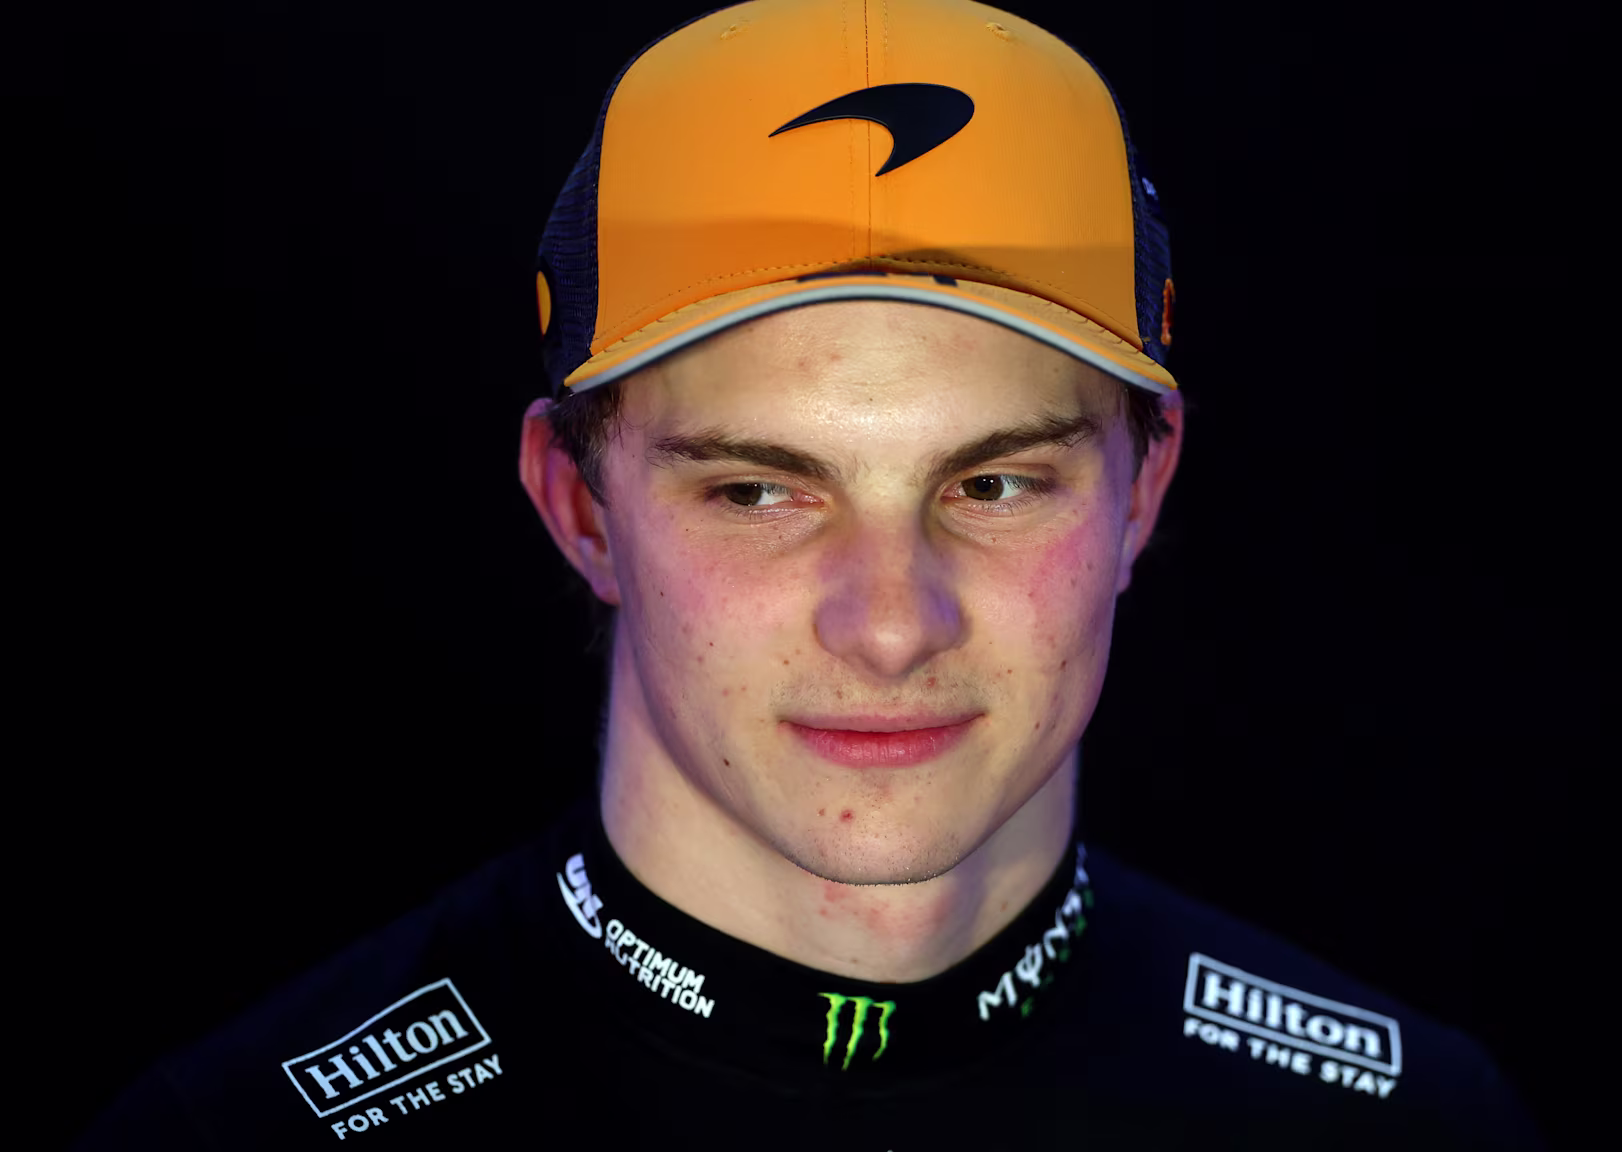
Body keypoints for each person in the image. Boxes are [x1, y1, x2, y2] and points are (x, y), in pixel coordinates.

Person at [79, 1, 1543, 1146]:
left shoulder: (1413, 1124)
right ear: (580, 509)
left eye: (994, 484)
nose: (892, 625)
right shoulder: (236, 1136)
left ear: (1142, 492)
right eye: (758, 491)